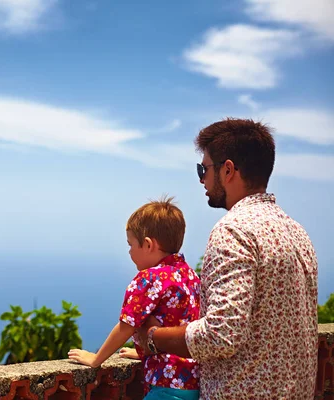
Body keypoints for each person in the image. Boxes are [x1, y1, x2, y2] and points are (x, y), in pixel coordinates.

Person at [137, 118, 318, 399]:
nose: (201, 179)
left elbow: (220, 335)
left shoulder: (233, 230)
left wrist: (152, 337)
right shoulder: (296, 231)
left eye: (204, 168)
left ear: (228, 170)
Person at [68, 197, 201, 400]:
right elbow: (176, 322)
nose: (129, 251)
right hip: (194, 382)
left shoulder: (148, 278)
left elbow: (127, 325)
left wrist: (96, 359)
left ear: (148, 244)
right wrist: (143, 353)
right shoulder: (189, 275)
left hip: (166, 386)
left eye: (131, 244)